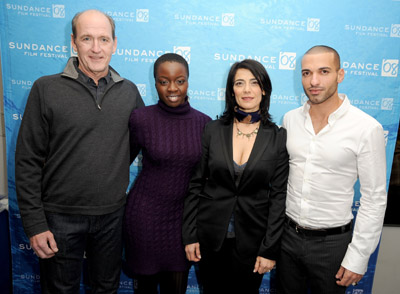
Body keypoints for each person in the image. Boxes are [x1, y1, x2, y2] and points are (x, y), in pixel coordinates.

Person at [15, 9, 144, 293]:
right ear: (74, 43)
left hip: (112, 217)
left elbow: (136, 144)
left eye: (103, 39)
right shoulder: (45, 89)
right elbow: (27, 162)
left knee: (107, 289)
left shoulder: (129, 92)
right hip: (58, 218)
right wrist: (36, 225)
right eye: (87, 39)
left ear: (115, 44)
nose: (96, 48)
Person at [277, 45, 387, 294]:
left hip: (333, 245)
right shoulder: (290, 120)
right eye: (306, 73)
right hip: (287, 238)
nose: (313, 81)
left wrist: (358, 256)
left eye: (323, 71)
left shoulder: (366, 128)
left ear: (340, 74)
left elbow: (374, 199)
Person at [183, 59, 289, 294]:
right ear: (232, 90)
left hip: (253, 241)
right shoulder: (213, 129)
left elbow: (279, 196)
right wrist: (190, 235)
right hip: (210, 237)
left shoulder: (278, 137)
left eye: (254, 83)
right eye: (240, 83)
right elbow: (196, 185)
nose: (247, 90)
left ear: (264, 89)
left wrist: (269, 249)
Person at [123, 53, 211, 294]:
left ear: (188, 82)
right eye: (164, 81)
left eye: (179, 80)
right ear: (155, 84)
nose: (172, 88)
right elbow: (120, 164)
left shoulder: (205, 124)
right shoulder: (141, 118)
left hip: (183, 224)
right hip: (144, 219)